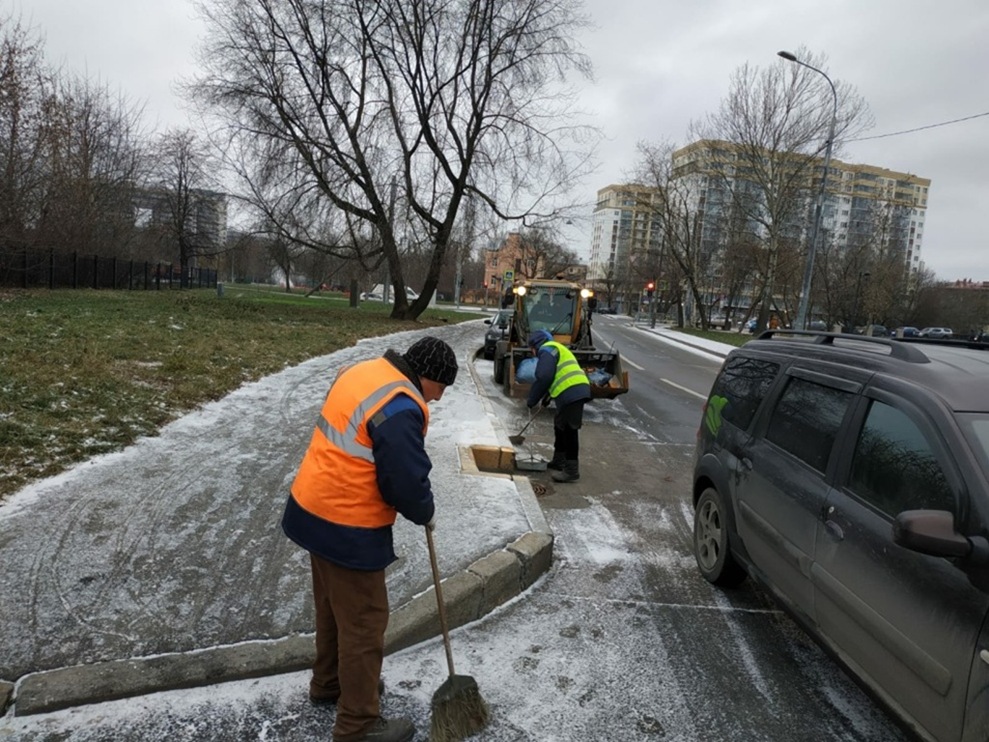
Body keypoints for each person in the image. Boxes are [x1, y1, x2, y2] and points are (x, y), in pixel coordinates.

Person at [281, 336, 459, 742]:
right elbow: (403, 480)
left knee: (332, 608)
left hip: (313, 508)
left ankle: (329, 684)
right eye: (441, 388)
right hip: (348, 525)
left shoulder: (365, 372)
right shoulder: (398, 404)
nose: (440, 398)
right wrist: (425, 510)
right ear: (427, 376)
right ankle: (357, 725)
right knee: (363, 623)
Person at [526, 329, 591, 483]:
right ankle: (559, 460)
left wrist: (532, 399)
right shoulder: (555, 348)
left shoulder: (547, 350)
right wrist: (548, 397)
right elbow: (556, 375)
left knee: (569, 429)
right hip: (572, 390)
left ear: (536, 345)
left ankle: (571, 471)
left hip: (573, 391)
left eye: (531, 349)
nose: (532, 352)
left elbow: (544, 376)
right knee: (559, 424)